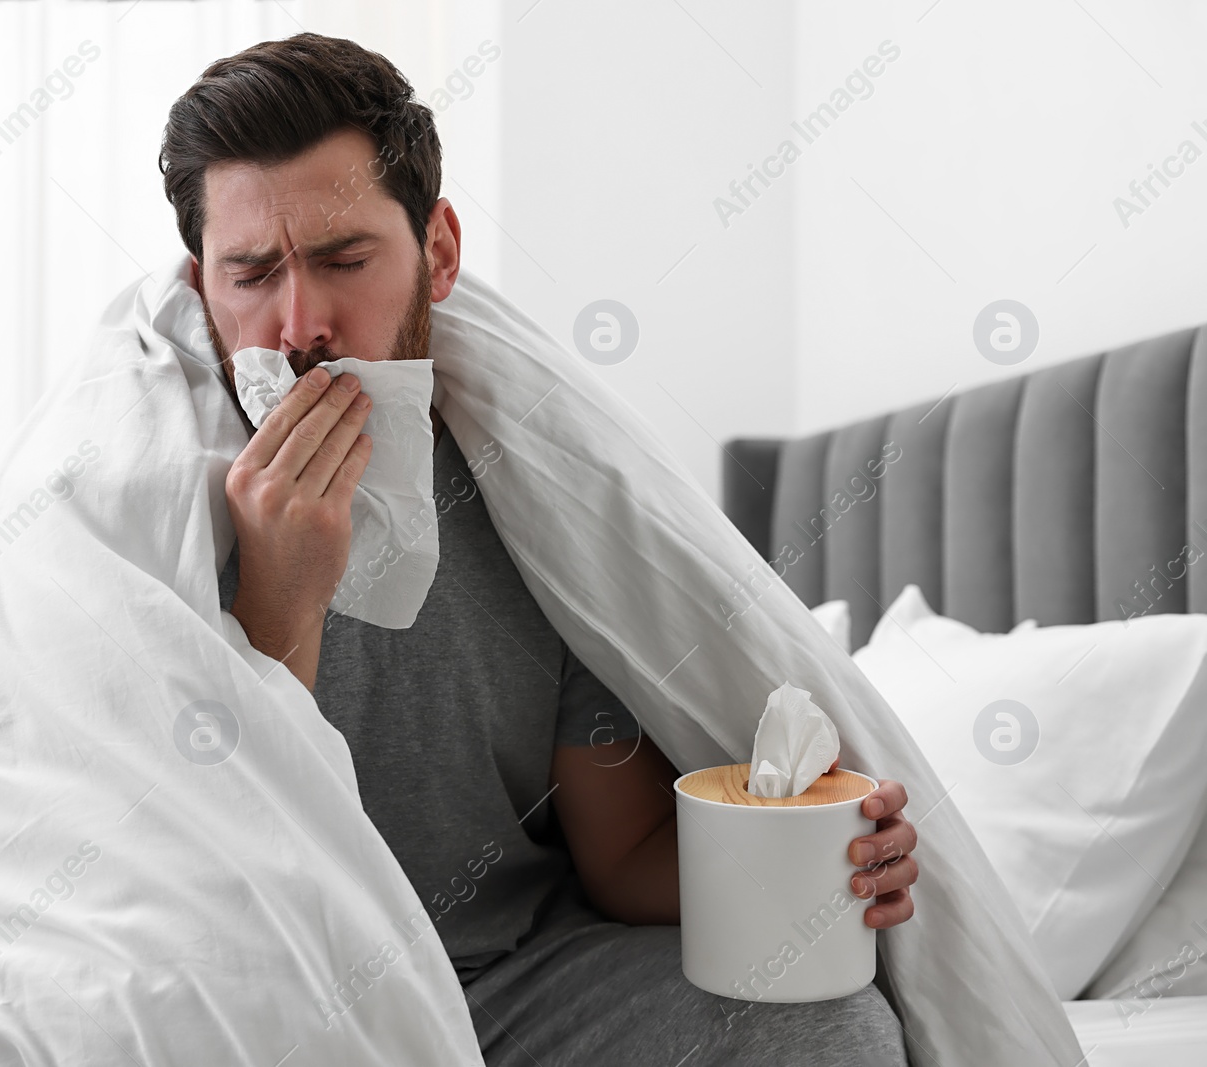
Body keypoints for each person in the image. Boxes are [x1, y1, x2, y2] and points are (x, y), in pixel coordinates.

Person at [161, 32, 918, 1067]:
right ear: (199, 285)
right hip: (277, 991)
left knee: (831, 1024)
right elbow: (199, 864)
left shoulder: (536, 502)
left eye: (344, 261)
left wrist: (820, 860)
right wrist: (281, 600)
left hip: (515, 982)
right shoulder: (150, 511)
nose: (299, 325)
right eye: (251, 273)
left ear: (437, 252)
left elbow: (622, 858)